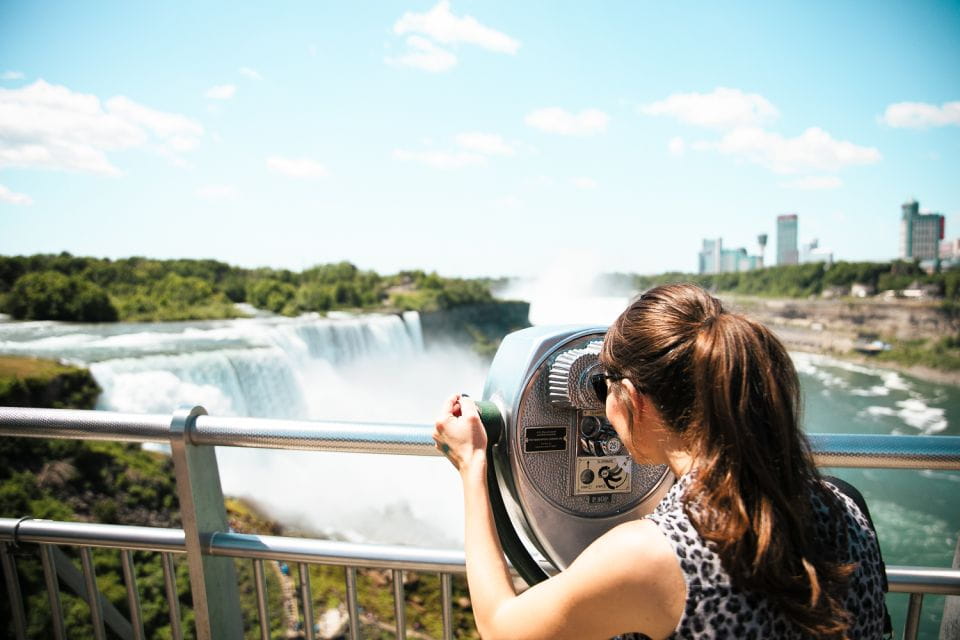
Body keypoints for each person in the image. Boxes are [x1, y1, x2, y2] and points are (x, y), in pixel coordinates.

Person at [433, 283, 887, 640]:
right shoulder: (846, 507)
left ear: (632, 398)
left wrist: (473, 466)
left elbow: (501, 627)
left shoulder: (651, 555)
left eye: (604, 386)